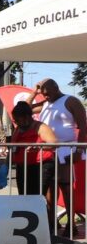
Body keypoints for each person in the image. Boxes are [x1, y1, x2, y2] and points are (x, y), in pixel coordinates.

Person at [27, 78, 87, 232]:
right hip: (47, 151)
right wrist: (34, 93)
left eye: (46, 93)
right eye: (43, 94)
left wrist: (79, 151)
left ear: (56, 87)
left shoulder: (71, 101)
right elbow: (24, 110)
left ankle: (71, 224)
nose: (45, 96)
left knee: (66, 186)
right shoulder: (45, 103)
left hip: (66, 149)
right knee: (49, 188)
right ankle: (52, 221)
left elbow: (83, 126)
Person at [10, 101, 56, 216]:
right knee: (24, 196)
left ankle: (46, 226)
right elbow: (13, 146)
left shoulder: (41, 127)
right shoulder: (17, 129)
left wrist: (39, 147)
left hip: (41, 165)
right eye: (14, 120)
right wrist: (6, 163)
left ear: (26, 117)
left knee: (37, 196)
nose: (16, 122)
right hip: (23, 166)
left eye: (17, 119)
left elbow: (54, 143)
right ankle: (29, 223)